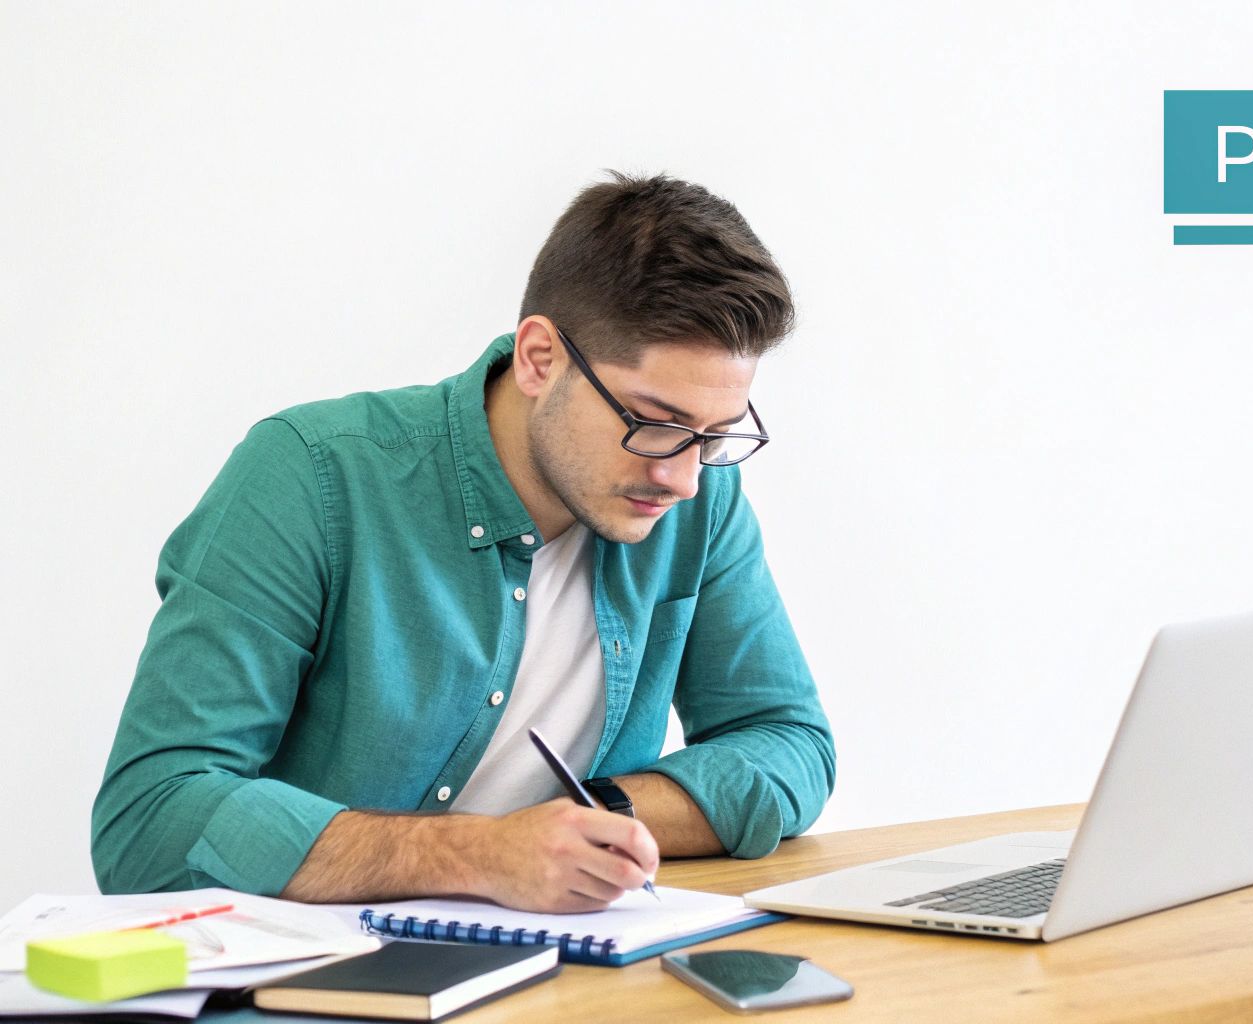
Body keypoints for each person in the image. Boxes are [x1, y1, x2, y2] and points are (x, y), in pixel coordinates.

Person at [90, 172, 835, 913]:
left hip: (571, 972)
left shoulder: (696, 499)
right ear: (541, 358)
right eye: (652, 422)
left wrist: (594, 819)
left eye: (713, 435)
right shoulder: (311, 476)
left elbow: (789, 742)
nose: (682, 478)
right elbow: (151, 820)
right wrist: (481, 854)